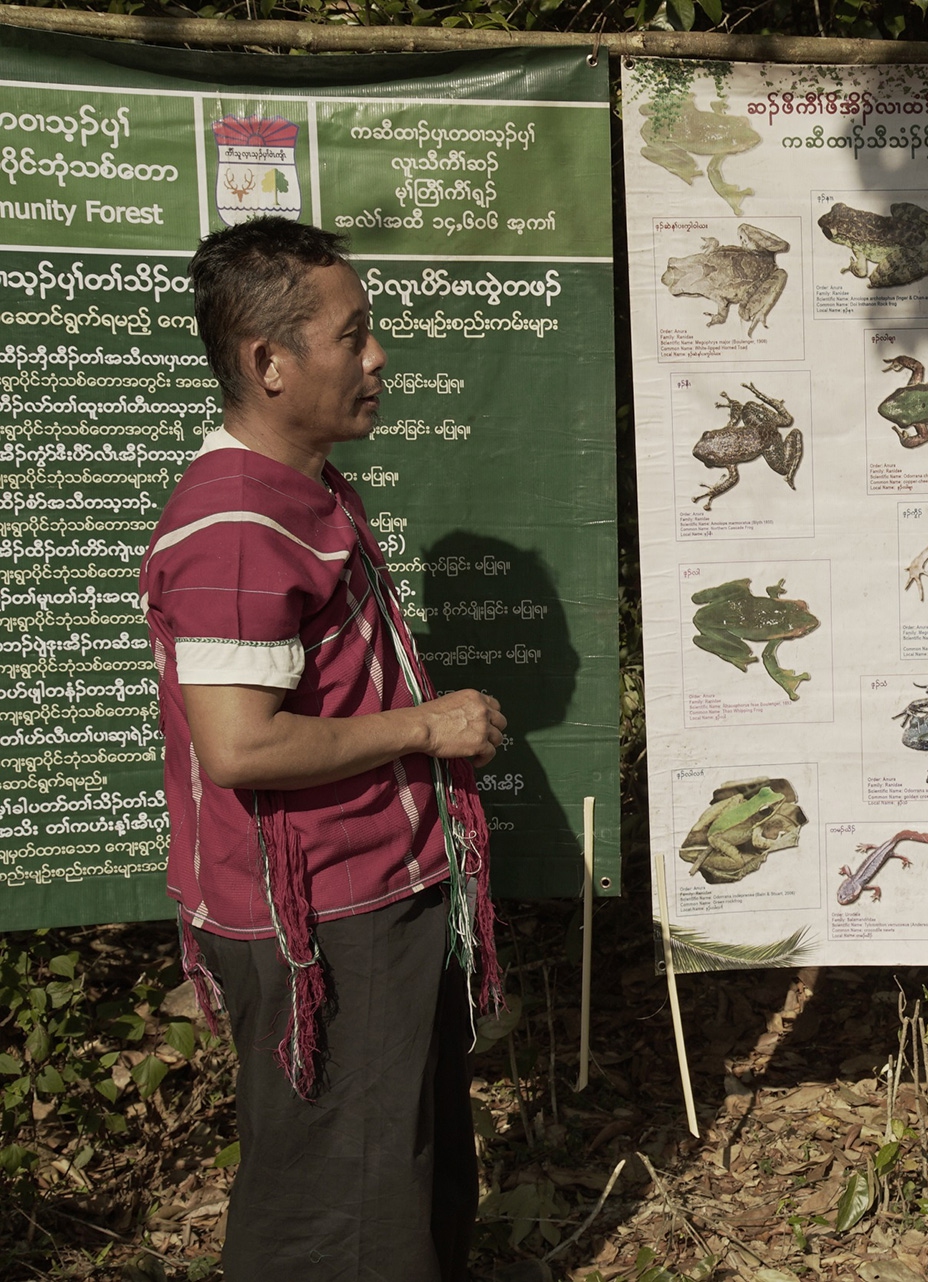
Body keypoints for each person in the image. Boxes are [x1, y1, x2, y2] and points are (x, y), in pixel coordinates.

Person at [138, 216, 509, 1280]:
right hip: (327, 922)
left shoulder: (300, 493)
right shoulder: (237, 527)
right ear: (268, 363)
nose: (377, 356)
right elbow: (241, 744)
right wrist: (425, 727)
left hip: (373, 898)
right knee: (335, 1207)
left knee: (392, 1176)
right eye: (353, 335)